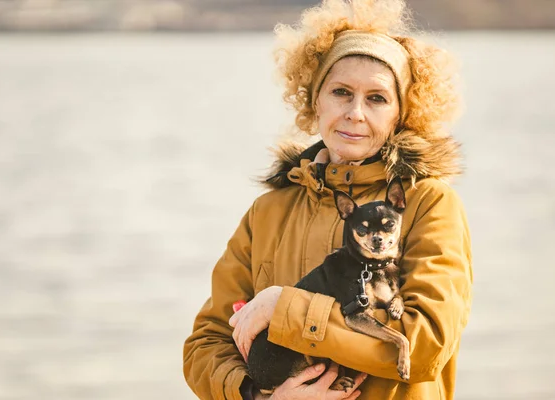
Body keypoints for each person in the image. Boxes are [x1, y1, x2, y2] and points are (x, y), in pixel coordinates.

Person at [183, 0, 473, 398]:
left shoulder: (429, 204)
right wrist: (258, 396)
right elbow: (206, 343)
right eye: (341, 92)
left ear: (400, 114)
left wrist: (284, 309)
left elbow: (427, 347)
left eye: (377, 98)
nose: (355, 112)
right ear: (313, 99)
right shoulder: (268, 212)